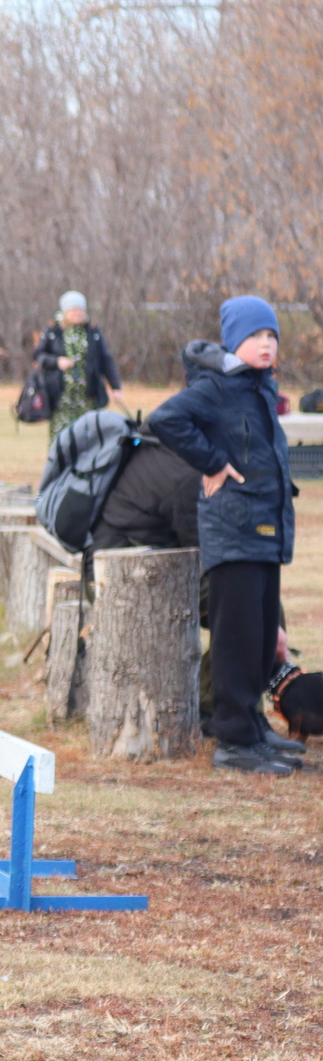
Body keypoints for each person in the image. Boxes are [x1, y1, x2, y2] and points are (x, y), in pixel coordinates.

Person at [147, 297, 303, 775]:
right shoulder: (218, 385)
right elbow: (165, 419)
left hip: (264, 529)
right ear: (235, 340)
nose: (266, 344)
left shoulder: (259, 387)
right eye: (257, 336)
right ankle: (233, 741)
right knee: (236, 639)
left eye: (272, 336)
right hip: (233, 529)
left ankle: (252, 727)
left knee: (258, 637)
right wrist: (212, 461)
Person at [35, 290, 122, 438]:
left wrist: (115, 387)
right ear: (65, 311)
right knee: (61, 437)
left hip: (88, 397)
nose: (78, 313)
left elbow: (105, 360)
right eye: (74, 310)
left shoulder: (92, 331)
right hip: (61, 397)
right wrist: (57, 362)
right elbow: (38, 356)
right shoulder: (53, 330)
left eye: (81, 310)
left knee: (88, 436)